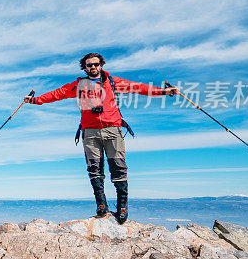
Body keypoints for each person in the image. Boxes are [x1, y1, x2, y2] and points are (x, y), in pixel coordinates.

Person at [24, 53, 178, 224]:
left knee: (118, 168)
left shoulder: (112, 81)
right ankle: (101, 205)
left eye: (96, 64)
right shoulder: (79, 85)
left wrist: (163, 92)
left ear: (101, 65)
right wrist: (36, 100)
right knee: (94, 169)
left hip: (112, 129)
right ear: (85, 67)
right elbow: (58, 93)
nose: (93, 67)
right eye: (89, 65)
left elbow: (138, 88)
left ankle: (122, 207)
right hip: (90, 132)